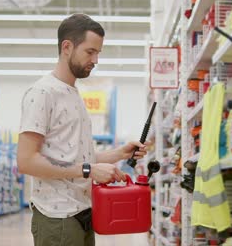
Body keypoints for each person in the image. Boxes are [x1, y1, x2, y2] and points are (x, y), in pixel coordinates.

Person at [16, 13, 149, 246]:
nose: (96, 59)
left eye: (98, 53)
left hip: (82, 213)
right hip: (57, 218)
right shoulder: (43, 93)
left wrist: (120, 153)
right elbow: (27, 161)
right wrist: (89, 170)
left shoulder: (73, 93)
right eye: (90, 52)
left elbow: (75, 158)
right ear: (67, 47)